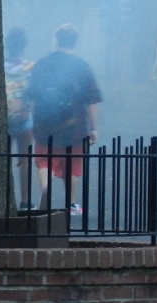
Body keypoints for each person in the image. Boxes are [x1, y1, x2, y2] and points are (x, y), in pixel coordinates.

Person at [26, 25, 102, 214]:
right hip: (74, 126)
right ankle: (70, 205)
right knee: (73, 163)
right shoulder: (82, 66)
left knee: (44, 160)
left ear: (56, 39)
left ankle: (46, 189)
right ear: (75, 42)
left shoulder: (41, 64)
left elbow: (32, 96)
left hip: (44, 124)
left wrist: (35, 121)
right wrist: (94, 128)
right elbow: (92, 99)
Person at [4, 28, 37, 211]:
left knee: (2, 159)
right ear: (24, 46)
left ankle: (3, 198)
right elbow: (33, 94)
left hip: (3, 118)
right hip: (24, 119)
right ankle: (25, 201)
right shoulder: (30, 67)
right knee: (24, 161)